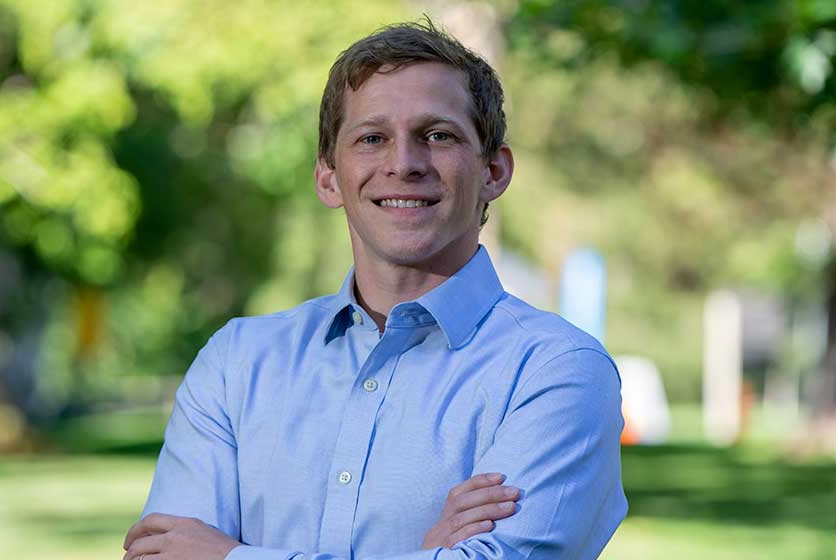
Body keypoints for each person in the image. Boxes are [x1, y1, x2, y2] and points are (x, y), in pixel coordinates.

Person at [123, 19, 627, 560]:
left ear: (494, 171)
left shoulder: (557, 370)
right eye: (371, 138)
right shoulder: (236, 364)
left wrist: (228, 555)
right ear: (328, 177)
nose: (404, 163)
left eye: (438, 135)